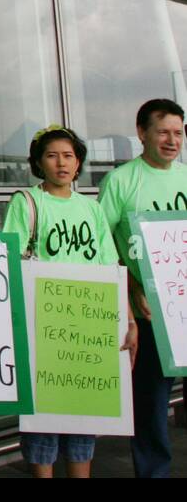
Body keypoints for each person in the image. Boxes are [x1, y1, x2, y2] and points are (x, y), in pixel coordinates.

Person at [4, 126, 137, 479]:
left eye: (69, 156)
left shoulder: (90, 209)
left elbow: (111, 268)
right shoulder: (27, 202)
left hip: (87, 326)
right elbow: (12, 264)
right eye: (52, 155)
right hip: (42, 325)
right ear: (38, 162)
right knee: (42, 425)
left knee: (82, 420)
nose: (61, 163)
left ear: (78, 163)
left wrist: (129, 320)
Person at [98, 98, 187, 479]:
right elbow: (101, 247)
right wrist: (132, 286)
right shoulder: (120, 181)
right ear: (142, 133)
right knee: (151, 405)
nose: (172, 140)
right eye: (163, 131)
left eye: (178, 133)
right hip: (150, 314)